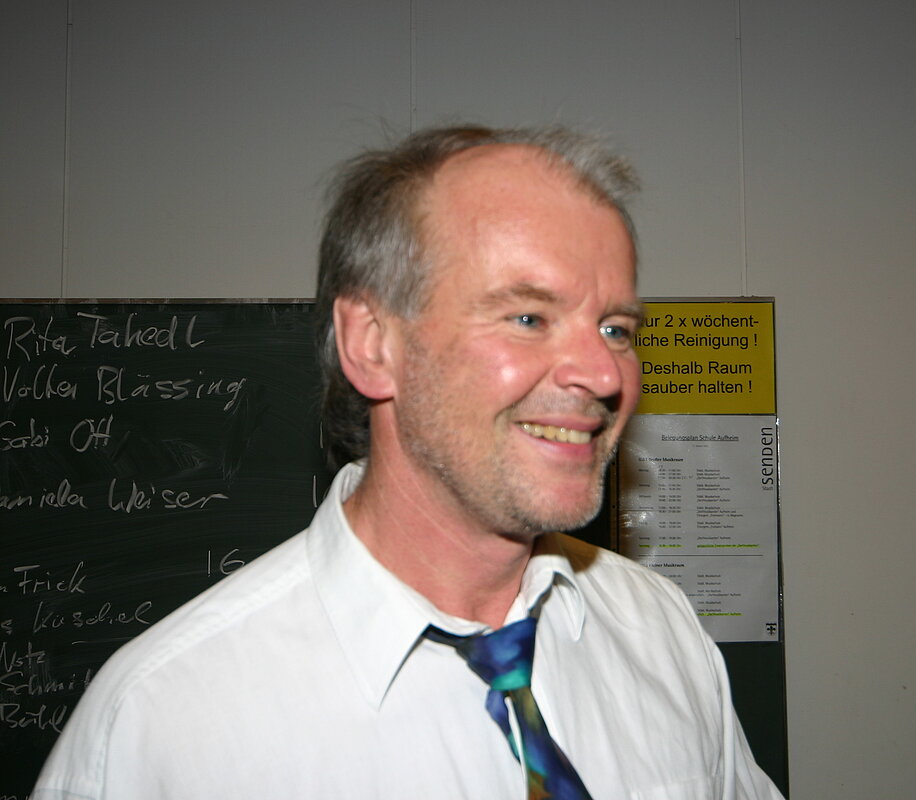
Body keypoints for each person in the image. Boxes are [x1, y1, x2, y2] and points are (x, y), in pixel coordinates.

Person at [33, 125, 783, 799]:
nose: (604, 373)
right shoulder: (166, 725)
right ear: (372, 344)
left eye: (616, 328)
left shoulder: (659, 633)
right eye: (528, 317)